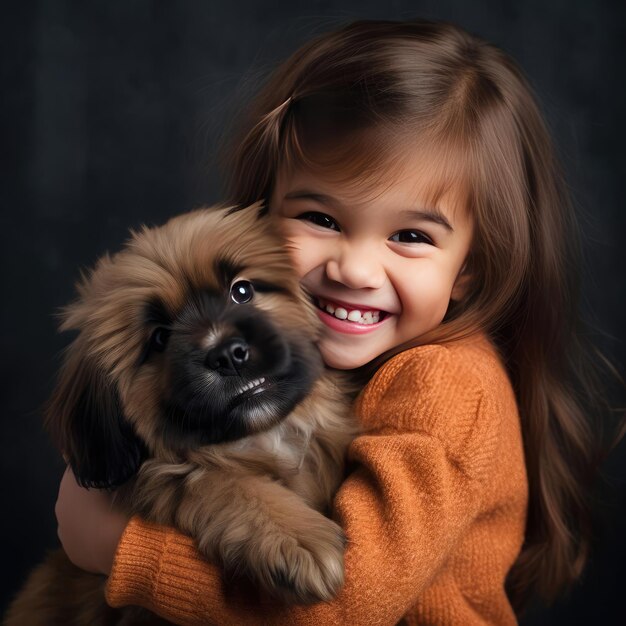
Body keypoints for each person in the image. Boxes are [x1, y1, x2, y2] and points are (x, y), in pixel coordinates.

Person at [54, 18, 623, 625]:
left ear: (469, 272)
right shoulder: (325, 351)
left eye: (409, 235)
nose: (355, 269)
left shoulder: (446, 387)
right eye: (322, 219)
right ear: (262, 214)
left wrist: (128, 552)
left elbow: (346, 606)